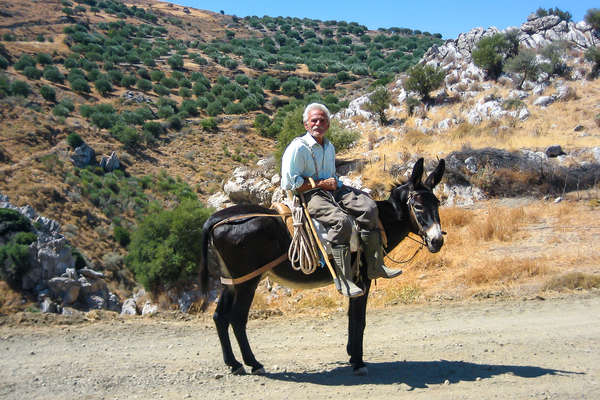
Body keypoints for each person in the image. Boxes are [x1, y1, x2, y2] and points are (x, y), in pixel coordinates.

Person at [281, 103, 402, 298]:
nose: (318, 124)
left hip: (333, 189)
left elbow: (332, 175)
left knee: (369, 207)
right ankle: (344, 279)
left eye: (322, 120)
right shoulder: (298, 148)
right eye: (314, 120)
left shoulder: (329, 147)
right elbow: (290, 183)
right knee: (341, 221)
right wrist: (320, 184)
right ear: (306, 124)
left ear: (328, 125)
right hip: (309, 194)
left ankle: (375, 265)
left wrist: (333, 184)